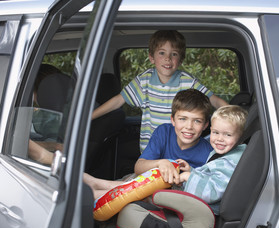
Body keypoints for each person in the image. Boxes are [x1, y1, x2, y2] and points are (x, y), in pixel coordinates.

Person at [91, 30, 227, 152]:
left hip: (179, 150)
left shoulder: (187, 81)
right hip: (151, 150)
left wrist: (235, 116)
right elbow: (118, 101)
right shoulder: (144, 80)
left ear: (180, 60)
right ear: (151, 57)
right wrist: (89, 117)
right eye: (162, 53)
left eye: (174, 54)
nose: (168, 58)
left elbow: (213, 99)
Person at [84, 89, 214, 199]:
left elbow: (206, 188)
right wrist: (160, 163)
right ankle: (98, 187)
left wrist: (190, 173)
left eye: (197, 121)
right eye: (182, 119)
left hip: (172, 196)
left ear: (205, 125)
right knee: (142, 178)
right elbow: (139, 167)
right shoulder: (164, 132)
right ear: (173, 120)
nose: (189, 126)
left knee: (154, 186)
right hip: (147, 183)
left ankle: (98, 190)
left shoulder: (208, 153)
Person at [177, 105, 248, 215]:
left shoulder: (229, 163)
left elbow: (212, 192)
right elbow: (210, 177)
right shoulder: (225, 153)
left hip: (206, 214)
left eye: (228, 134)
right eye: (215, 132)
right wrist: (191, 171)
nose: (220, 139)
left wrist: (188, 177)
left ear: (240, 137)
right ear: (210, 130)